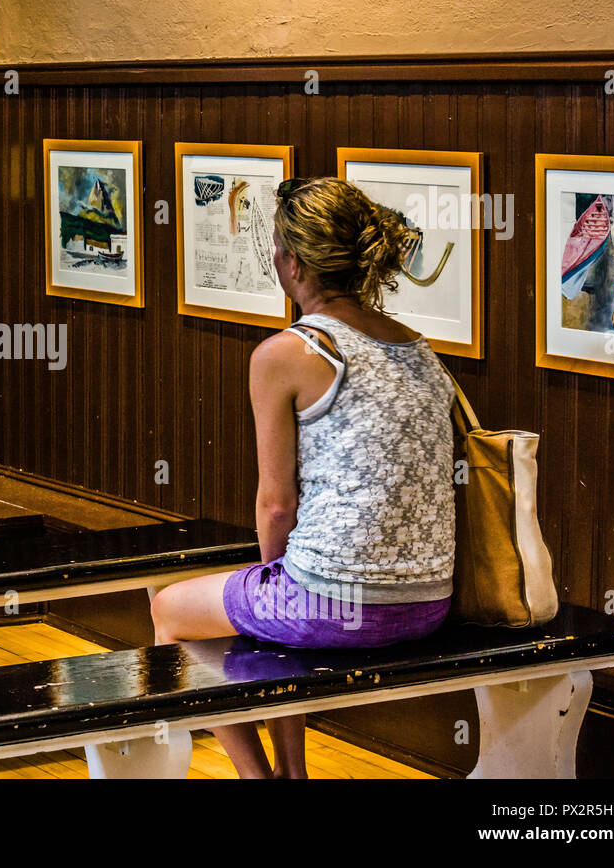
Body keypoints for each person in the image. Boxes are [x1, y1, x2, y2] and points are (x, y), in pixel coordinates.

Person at [150, 177, 457, 779]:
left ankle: (259, 777)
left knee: (170, 611)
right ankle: (293, 774)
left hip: (335, 601)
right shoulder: (420, 348)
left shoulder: (285, 353)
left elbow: (275, 506)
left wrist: (275, 574)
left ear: (290, 261)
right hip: (429, 602)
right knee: (265, 601)